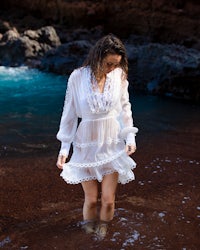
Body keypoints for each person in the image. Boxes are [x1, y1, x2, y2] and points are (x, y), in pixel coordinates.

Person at [56, 34, 138, 238]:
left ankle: (103, 228)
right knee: (91, 199)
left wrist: (130, 137)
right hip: (86, 143)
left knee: (109, 199)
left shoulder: (119, 76)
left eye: (115, 64)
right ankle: (86, 231)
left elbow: (125, 109)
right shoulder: (77, 77)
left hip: (112, 142)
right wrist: (65, 148)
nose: (111, 68)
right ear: (97, 57)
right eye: (108, 63)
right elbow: (70, 112)